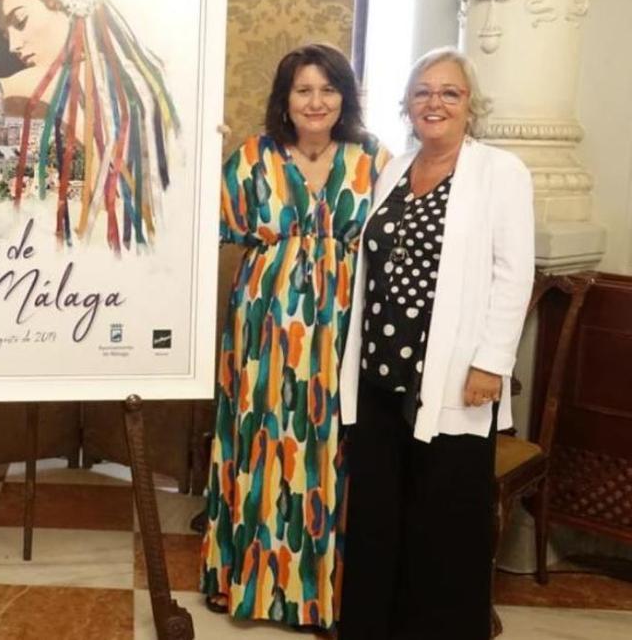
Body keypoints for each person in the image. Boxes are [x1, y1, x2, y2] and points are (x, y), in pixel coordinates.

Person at [337, 47, 535, 640]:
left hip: (452, 381)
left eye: (450, 92)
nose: (435, 102)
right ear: (406, 104)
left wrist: (491, 363)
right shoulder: (394, 168)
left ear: (471, 106)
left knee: (444, 524)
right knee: (378, 517)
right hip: (376, 375)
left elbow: (512, 273)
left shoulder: (499, 172)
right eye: (422, 91)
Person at [199, 43, 388, 632]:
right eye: (303, 90)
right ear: (286, 98)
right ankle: (247, 586)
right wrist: (202, 155)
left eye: (327, 89)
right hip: (263, 336)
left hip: (339, 337)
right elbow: (208, 220)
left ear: (344, 97)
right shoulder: (253, 156)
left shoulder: (373, 160)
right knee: (260, 448)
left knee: (327, 453)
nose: (316, 101)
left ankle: (318, 596)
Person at [0, 0, 180, 252]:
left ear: (66, 7)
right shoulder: (140, 72)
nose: (14, 45)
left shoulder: (69, 79)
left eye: (20, 20)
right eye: (6, 37)